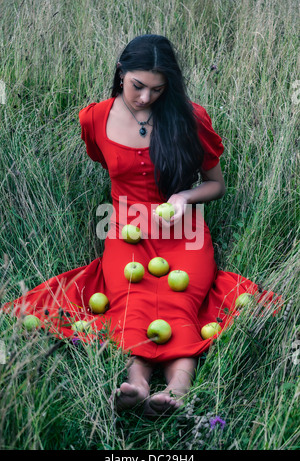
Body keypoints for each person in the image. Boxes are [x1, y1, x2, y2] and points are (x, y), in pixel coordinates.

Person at [5, 34, 280, 416]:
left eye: (157, 89)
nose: (146, 98)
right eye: (138, 86)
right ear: (121, 73)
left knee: (179, 305)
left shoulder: (190, 117)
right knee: (130, 304)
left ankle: (177, 392)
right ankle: (136, 383)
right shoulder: (95, 117)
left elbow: (216, 185)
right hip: (126, 230)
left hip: (184, 232)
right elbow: (111, 165)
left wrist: (184, 197)